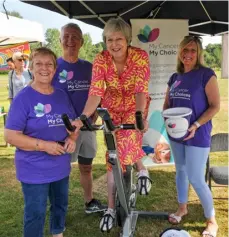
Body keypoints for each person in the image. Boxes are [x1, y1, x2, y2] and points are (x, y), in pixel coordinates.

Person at [71, 18, 152, 232]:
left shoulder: (140, 57)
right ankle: (114, 203)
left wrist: (138, 116)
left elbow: (141, 90)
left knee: (122, 148)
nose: (114, 44)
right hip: (111, 110)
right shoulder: (100, 59)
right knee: (113, 157)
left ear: (128, 40)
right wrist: (82, 118)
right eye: (109, 40)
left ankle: (115, 201)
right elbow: (96, 92)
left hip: (135, 106)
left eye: (119, 39)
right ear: (104, 41)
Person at [4, 47, 78, 237]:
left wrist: (71, 138)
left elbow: (72, 126)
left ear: (55, 69)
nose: (44, 68)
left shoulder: (61, 95)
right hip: (33, 168)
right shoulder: (23, 98)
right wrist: (44, 146)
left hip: (60, 165)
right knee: (35, 213)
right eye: (39, 64)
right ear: (31, 67)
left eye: (49, 64)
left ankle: (58, 233)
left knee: (60, 205)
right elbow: (11, 136)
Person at [163, 36, 220, 237]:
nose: (188, 54)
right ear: (179, 52)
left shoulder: (206, 75)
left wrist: (196, 124)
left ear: (199, 53)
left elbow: (215, 106)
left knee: (196, 177)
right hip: (177, 134)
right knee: (181, 171)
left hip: (198, 133)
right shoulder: (175, 77)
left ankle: (211, 220)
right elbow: (167, 105)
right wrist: (167, 121)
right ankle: (182, 208)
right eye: (185, 50)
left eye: (193, 50)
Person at [52, 23, 106, 214]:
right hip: (61, 130)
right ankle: (58, 208)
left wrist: (95, 115)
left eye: (75, 37)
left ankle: (89, 202)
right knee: (60, 171)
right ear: (60, 40)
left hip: (86, 128)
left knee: (86, 167)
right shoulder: (52, 68)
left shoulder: (89, 68)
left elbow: (99, 94)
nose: (70, 41)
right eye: (66, 36)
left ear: (82, 42)